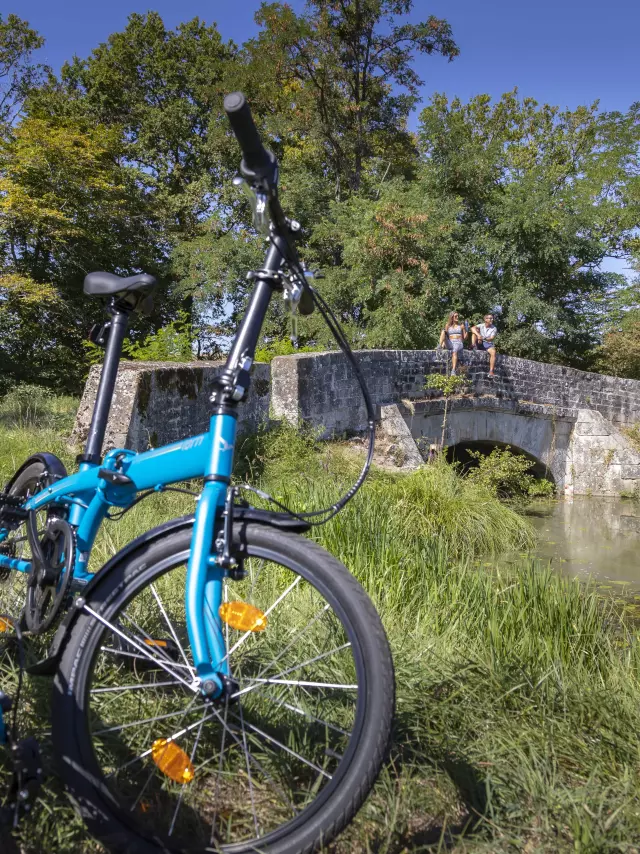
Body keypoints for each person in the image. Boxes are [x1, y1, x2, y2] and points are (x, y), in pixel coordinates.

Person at [437, 311, 467, 375]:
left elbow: (464, 338)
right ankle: (440, 346)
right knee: (443, 331)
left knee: (454, 351)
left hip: (458, 342)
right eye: (455, 316)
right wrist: (443, 344)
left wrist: (466, 330)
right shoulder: (447, 325)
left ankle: (453, 370)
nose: (457, 317)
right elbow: (445, 336)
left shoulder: (461, 326)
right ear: (452, 317)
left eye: (458, 316)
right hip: (450, 342)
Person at [471, 313, 497, 377]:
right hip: (479, 341)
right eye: (490, 318)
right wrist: (478, 335)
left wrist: (483, 338)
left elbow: (491, 338)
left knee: (493, 352)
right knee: (474, 333)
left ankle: (491, 371)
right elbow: (472, 328)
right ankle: (473, 345)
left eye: (492, 318)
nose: (492, 319)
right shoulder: (481, 325)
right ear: (485, 319)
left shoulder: (494, 328)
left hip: (487, 342)